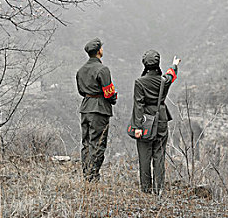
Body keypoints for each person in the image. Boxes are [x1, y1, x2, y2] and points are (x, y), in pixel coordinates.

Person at [130, 50, 181, 195]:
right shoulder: (163, 81)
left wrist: (137, 126)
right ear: (158, 63)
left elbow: (138, 105)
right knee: (159, 154)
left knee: (145, 156)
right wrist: (175, 64)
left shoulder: (139, 82)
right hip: (161, 119)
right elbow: (171, 75)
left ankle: (146, 190)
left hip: (145, 121)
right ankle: (159, 189)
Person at [76, 38, 118, 182]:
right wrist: (113, 99)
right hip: (99, 109)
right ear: (99, 51)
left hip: (85, 107)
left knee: (86, 142)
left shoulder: (80, 70)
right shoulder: (103, 69)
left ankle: (86, 174)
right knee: (98, 143)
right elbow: (109, 92)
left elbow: (81, 91)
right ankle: (93, 176)